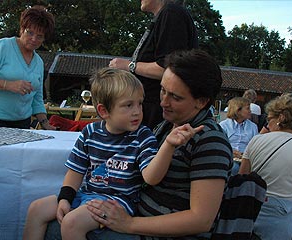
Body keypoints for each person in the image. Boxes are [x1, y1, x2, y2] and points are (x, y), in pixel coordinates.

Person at [46, 49, 232, 240]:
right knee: (45, 214)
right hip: (133, 216)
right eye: (162, 90)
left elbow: (201, 220)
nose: (163, 102)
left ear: (201, 102)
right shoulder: (167, 125)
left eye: (175, 97)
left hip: (155, 233)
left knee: (58, 228)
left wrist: (130, 224)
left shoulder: (210, 141)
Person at [23, 67, 203, 240]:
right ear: (104, 111)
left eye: (139, 103)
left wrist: (168, 146)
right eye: (128, 105)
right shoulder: (90, 132)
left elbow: (151, 177)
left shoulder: (142, 136)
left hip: (119, 202)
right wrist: (65, 198)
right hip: (88, 194)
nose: (137, 112)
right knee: (36, 208)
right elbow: (75, 172)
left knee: (71, 223)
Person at [108, 0, 198, 130]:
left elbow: (170, 69)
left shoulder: (171, 13)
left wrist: (129, 66)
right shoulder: (167, 15)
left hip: (157, 115)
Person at [0, 5, 55, 129]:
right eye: (30, 32)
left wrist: (46, 124)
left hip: (22, 123)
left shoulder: (39, 62)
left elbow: (37, 97)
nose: (34, 39)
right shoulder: (2, 46)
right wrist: (9, 85)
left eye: (40, 36)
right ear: (21, 29)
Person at [239, 95, 292, 240]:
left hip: (250, 207)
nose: (267, 124)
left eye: (269, 119)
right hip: (282, 214)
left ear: (281, 118)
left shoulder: (256, 140)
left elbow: (242, 175)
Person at [219, 97, 258, 175]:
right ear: (238, 110)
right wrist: (231, 152)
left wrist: (244, 155)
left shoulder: (253, 126)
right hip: (229, 157)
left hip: (246, 158)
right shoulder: (223, 125)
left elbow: (255, 146)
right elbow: (220, 145)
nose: (250, 111)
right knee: (234, 168)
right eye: (247, 109)